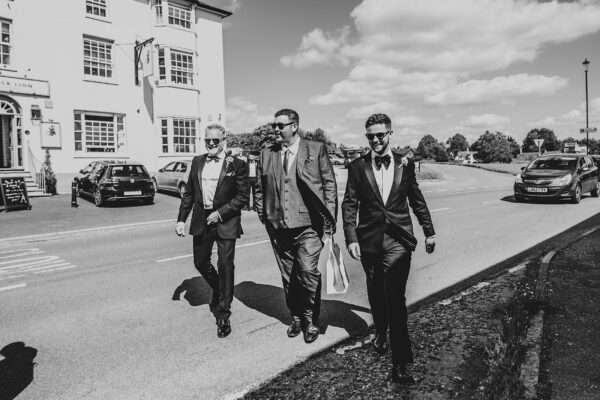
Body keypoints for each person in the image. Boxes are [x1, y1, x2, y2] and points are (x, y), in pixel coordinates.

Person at [341, 113, 436, 385]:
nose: (375, 140)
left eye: (380, 135)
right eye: (370, 136)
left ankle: (402, 363)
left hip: (398, 241)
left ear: (390, 134)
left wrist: (429, 231)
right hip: (369, 241)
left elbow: (416, 199)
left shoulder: (405, 164)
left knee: (395, 299)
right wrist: (351, 238)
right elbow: (350, 204)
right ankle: (380, 331)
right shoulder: (357, 167)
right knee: (375, 293)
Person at [254, 108, 337, 344]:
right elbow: (259, 187)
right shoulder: (266, 154)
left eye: (281, 125)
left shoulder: (315, 149)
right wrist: (263, 214)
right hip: (278, 226)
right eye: (274, 126)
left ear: (294, 125)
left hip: (309, 225)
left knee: (308, 272)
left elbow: (329, 185)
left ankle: (311, 319)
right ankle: (297, 317)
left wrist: (330, 219)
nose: (276, 130)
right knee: (289, 276)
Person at [175, 124, 249, 338]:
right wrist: (181, 219)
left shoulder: (237, 164)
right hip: (202, 219)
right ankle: (218, 288)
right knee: (200, 261)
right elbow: (188, 193)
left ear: (223, 139)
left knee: (225, 265)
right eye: (208, 140)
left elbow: (242, 197)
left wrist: (221, 213)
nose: (211, 143)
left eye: (215, 140)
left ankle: (223, 313)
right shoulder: (197, 161)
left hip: (226, 220)